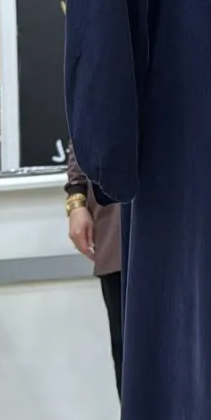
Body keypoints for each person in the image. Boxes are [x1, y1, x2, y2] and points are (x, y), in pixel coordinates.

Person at [65, 140, 122, 395]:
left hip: (182, 227)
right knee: (128, 349)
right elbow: (83, 132)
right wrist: (76, 202)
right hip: (116, 227)